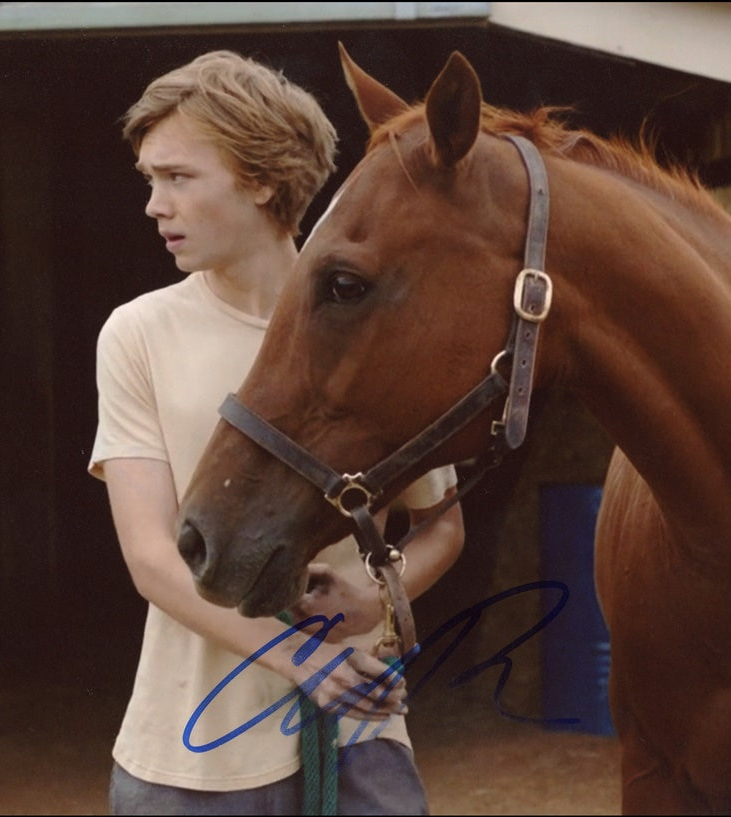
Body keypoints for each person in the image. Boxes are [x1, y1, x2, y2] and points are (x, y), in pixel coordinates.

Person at [88, 50, 465, 816]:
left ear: (261, 179)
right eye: (150, 180)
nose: (155, 205)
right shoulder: (138, 334)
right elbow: (152, 556)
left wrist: (381, 590)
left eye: (178, 177)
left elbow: (441, 523)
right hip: (192, 758)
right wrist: (295, 657)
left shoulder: (372, 334)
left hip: (360, 736)